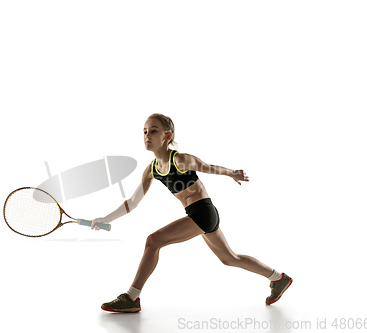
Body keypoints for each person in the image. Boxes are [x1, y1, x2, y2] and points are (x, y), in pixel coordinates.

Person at [91, 113, 292, 313]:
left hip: (203, 213)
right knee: (230, 258)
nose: (147, 136)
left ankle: (132, 297)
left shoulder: (180, 159)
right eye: (144, 131)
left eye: (154, 131)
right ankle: (278, 278)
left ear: (167, 136)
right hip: (201, 214)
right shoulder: (152, 170)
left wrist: (231, 173)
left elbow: (208, 167)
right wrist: (106, 218)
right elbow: (133, 202)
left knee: (153, 241)